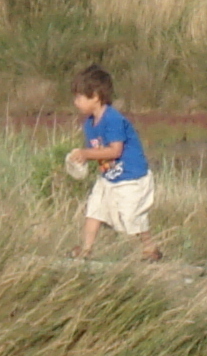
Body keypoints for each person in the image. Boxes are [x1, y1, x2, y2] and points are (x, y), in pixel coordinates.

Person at [68, 64, 162, 261]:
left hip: (131, 177)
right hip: (109, 177)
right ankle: (86, 249)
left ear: (94, 96)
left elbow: (115, 150)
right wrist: (81, 161)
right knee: (94, 209)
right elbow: (97, 151)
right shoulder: (89, 124)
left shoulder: (113, 119)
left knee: (130, 217)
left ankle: (150, 248)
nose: (75, 102)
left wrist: (86, 153)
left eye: (79, 97)